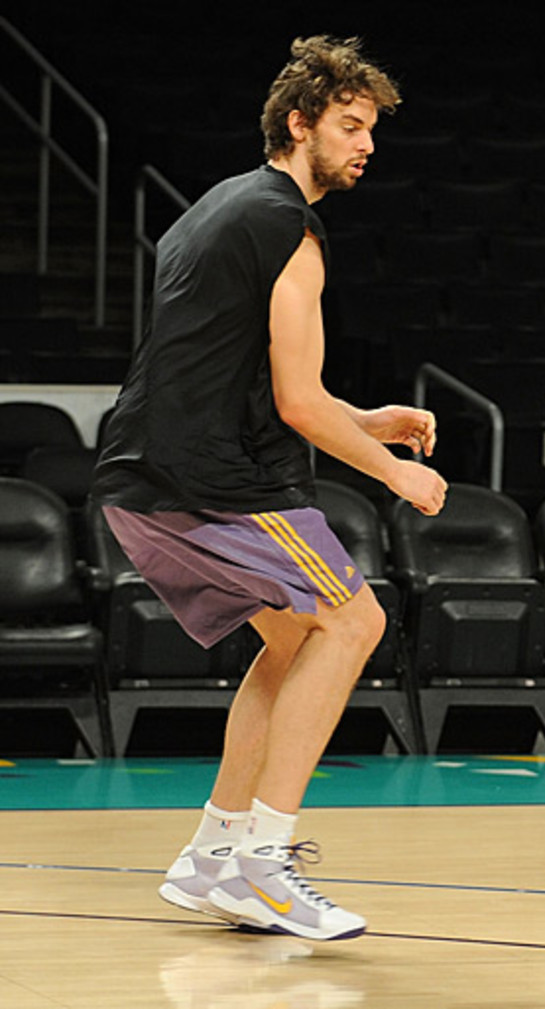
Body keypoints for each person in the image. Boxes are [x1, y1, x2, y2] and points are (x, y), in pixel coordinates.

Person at [91, 35, 447, 941]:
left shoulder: (217, 208)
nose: (366, 145)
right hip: (212, 483)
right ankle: (264, 860)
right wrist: (393, 469)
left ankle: (212, 853)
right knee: (354, 619)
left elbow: (247, 379)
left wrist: (363, 422)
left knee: (292, 641)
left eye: (372, 129)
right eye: (350, 125)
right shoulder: (288, 225)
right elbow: (293, 398)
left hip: (144, 475)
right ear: (299, 123)